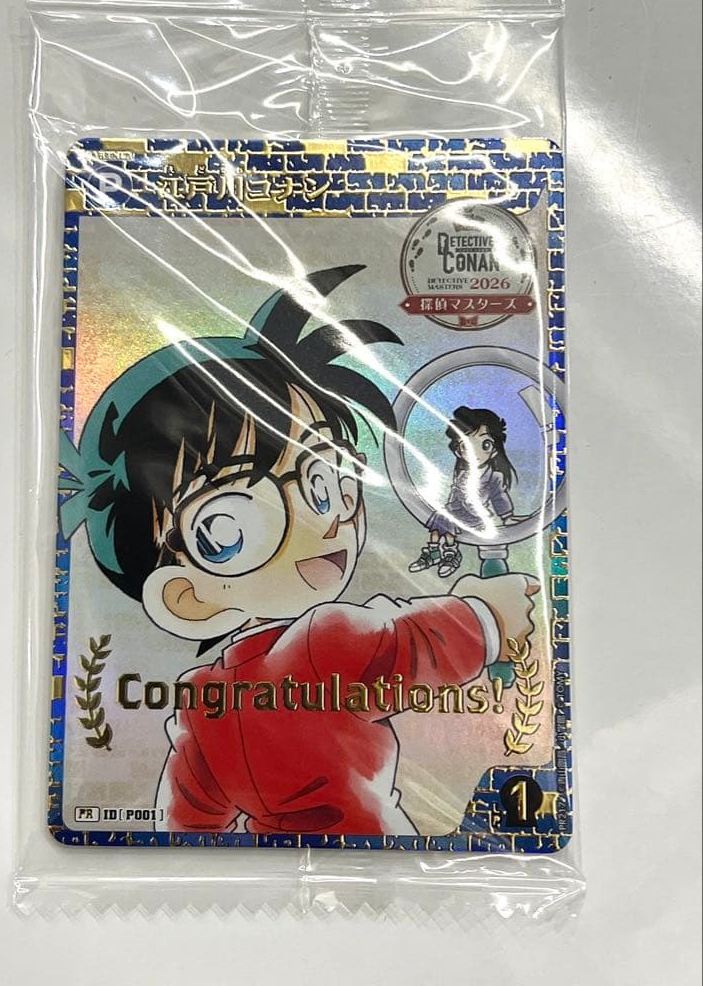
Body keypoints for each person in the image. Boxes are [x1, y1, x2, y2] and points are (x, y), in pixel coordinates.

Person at [60, 265, 537, 835]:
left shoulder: (200, 707)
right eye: (232, 523)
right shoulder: (322, 641)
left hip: (280, 864)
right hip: (374, 855)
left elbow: (186, 823)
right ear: (187, 597)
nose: (325, 517)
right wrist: (490, 611)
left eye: (325, 476)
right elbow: (409, 646)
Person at [408, 406, 518, 579]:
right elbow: (455, 493)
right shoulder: (461, 474)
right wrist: (449, 506)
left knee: (449, 527)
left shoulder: (494, 476)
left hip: (475, 516)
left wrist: (507, 516)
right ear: (459, 451)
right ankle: (433, 553)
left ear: (494, 449)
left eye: (485, 444)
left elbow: (499, 497)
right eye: (466, 445)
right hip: (456, 509)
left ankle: (451, 554)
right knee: (438, 526)